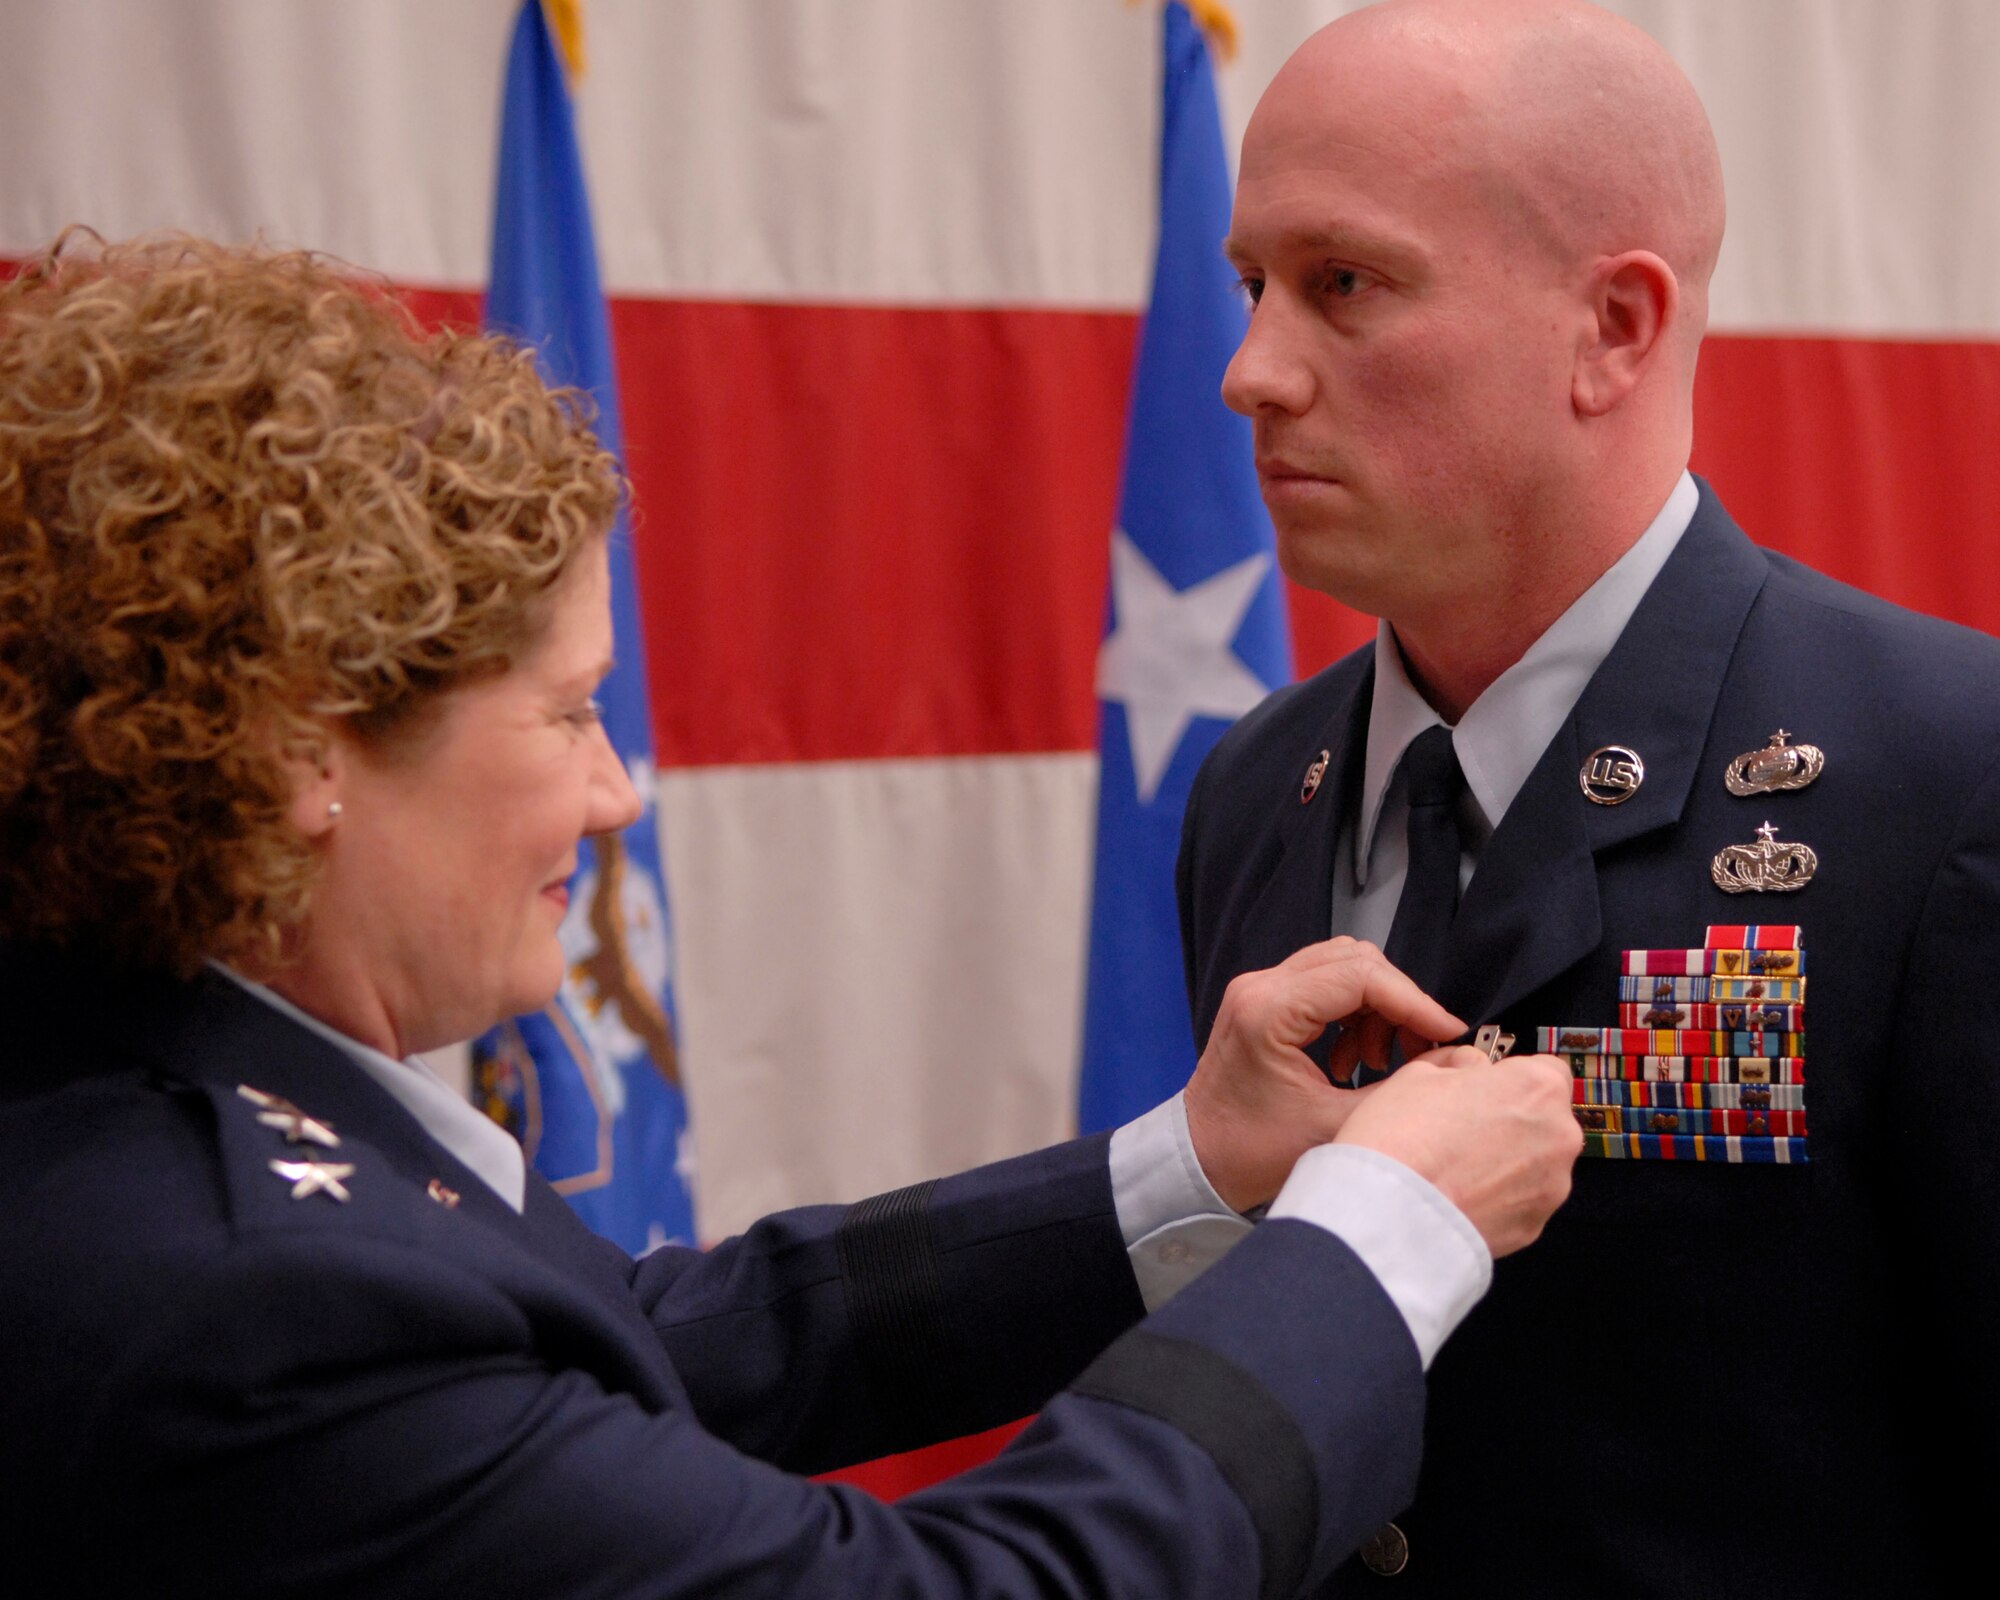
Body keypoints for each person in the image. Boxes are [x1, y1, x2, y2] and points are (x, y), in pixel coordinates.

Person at [0, 231, 1582, 1599]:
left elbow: (642, 1342)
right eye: (566, 714)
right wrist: (1371, 1247)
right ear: (297, 751)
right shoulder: (251, 1301)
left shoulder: (126, 1092)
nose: (617, 794)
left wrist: (1189, 1170)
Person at [1181, 0, 2000, 1593]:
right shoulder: (1256, 789)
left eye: (1342, 284)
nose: (1252, 371)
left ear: (1614, 327)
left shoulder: (1946, 775)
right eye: (1251, 286)